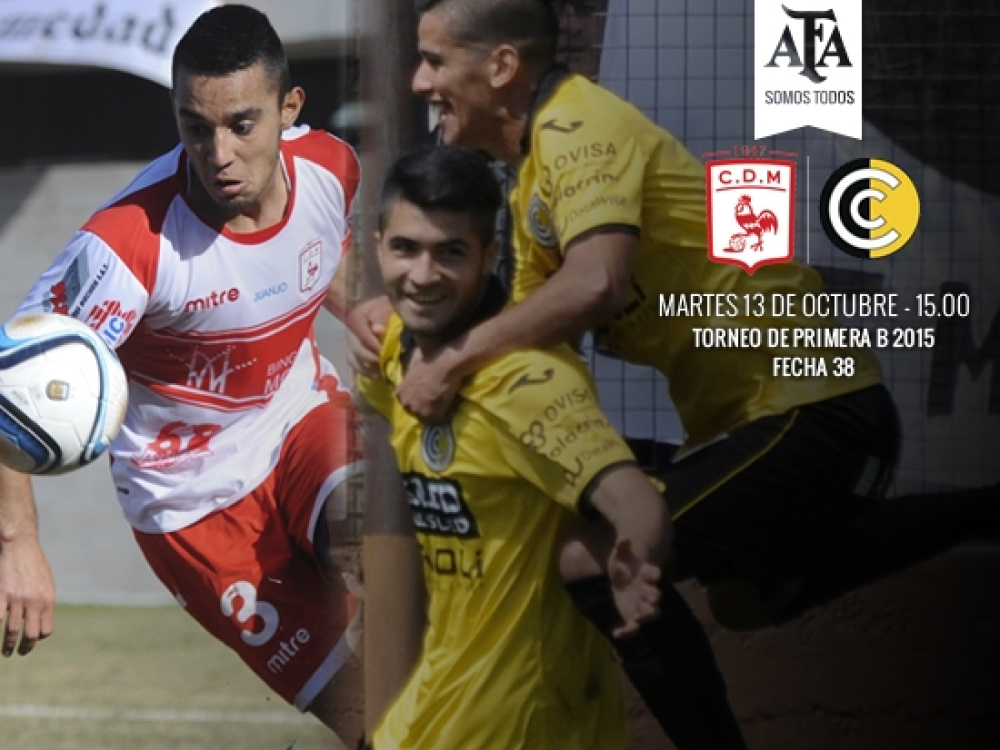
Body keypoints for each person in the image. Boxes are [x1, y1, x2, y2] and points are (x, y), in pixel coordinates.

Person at [346, 0, 1000, 747]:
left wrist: (452, 360)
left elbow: (598, 283)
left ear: (500, 67)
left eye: (434, 60)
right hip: (789, 424)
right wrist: (405, 313)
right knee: (748, 601)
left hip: (812, 412)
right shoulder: (533, 180)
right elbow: (524, 332)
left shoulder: (577, 128)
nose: (419, 80)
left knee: (587, 560)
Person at [0, 5, 363, 744]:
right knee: (373, 716)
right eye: (196, 128)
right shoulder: (126, 246)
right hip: (192, 503)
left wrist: (385, 328)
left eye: (241, 125)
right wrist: (18, 545)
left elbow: (326, 262)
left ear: (290, 108)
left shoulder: (332, 170)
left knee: (389, 555)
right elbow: (7, 379)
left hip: (300, 421)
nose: (218, 153)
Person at [357, 143, 668, 750]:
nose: (423, 275)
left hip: (527, 723)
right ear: (379, 247)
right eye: (406, 249)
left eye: (450, 252)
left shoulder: (528, 382)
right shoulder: (397, 349)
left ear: (490, 256)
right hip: (433, 709)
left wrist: (636, 556)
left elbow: (634, 497)